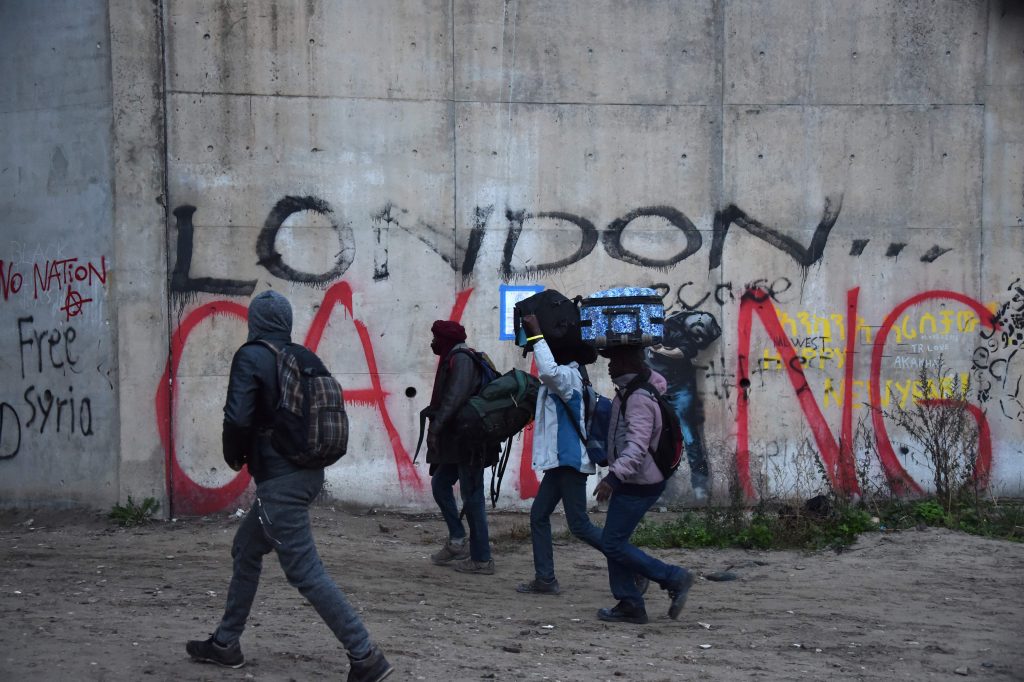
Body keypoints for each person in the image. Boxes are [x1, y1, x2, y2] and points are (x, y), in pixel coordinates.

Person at [185, 290, 393, 682]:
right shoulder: (303, 357)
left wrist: (234, 455)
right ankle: (226, 644)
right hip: (308, 474)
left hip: (280, 482)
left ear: (256, 321)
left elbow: (238, 417)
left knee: (305, 572)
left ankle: (366, 656)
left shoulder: (252, 356)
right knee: (246, 547)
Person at [514, 314, 649, 597]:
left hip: (570, 461)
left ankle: (636, 567)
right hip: (560, 462)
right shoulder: (569, 377)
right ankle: (545, 579)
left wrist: (537, 333)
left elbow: (548, 371)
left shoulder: (569, 375)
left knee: (580, 525)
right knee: (540, 515)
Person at [593, 344, 694, 625]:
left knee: (612, 543)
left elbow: (637, 447)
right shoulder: (634, 390)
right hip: (636, 479)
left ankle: (672, 578)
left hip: (638, 482)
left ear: (630, 364)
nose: (610, 367)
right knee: (615, 541)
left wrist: (613, 478)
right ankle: (629, 602)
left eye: (616, 361)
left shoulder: (637, 398)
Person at [425, 320, 497, 575]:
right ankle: (458, 541)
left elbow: (455, 397)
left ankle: (482, 559)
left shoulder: (462, 359)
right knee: (440, 484)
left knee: (472, 496)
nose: (432, 343)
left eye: (435, 338)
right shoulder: (455, 358)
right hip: (457, 441)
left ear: (445, 340)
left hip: (470, 440)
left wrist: (435, 427)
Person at [646, 311, 716, 501]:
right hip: (656, 393)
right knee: (659, 441)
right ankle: (663, 489)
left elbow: (687, 351)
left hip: (679, 389)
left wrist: (659, 350)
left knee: (689, 437)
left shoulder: (671, 329)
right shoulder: (638, 332)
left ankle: (701, 486)